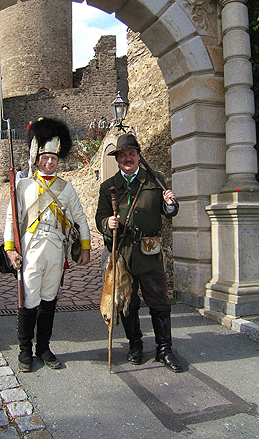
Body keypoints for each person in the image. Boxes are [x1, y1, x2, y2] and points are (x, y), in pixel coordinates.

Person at [4, 117, 91, 372]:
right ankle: (24, 350)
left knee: (49, 300)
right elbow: (12, 217)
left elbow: (80, 218)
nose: (50, 162)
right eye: (45, 158)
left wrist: (85, 248)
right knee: (28, 301)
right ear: (37, 158)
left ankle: (43, 347)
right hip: (30, 250)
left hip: (56, 250)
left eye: (54, 158)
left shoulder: (66, 188)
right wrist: (10, 248)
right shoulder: (23, 185)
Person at [95, 133, 183, 373]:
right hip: (123, 253)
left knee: (160, 303)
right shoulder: (109, 186)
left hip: (149, 252)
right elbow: (99, 218)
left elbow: (170, 212)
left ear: (138, 156)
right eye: (122, 155)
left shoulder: (155, 181)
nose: (127, 158)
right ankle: (135, 345)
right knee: (127, 303)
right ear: (118, 159)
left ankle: (164, 349)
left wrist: (170, 203)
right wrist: (107, 224)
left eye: (131, 154)